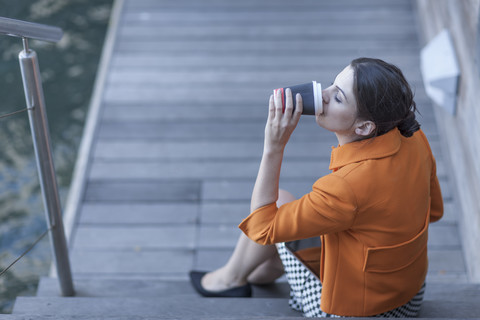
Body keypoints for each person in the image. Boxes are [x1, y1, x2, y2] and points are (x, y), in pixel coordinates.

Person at [189, 58, 443, 317]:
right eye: (332, 84)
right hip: (408, 294)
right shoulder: (414, 138)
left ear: (365, 127)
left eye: (338, 98)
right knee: (297, 230)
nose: (323, 95)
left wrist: (273, 147)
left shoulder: (345, 187)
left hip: (360, 311)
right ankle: (249, 272)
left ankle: (231, 279)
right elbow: (434, 211)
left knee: (277, 206)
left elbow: (261, 228)